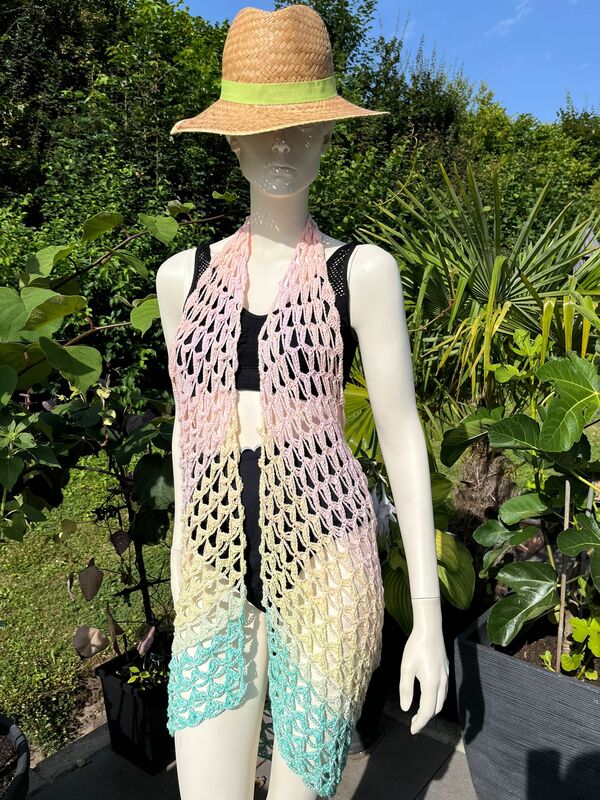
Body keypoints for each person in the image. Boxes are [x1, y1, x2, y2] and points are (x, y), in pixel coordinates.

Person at [155, 6, 449, 800]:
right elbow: (189, 428)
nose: (283, 148)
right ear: (232, 140)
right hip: (212, 562)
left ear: (326, 134)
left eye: (302, 128)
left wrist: (427, 618)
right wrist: (181, 554)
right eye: (264, 130)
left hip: (326, 565)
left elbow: (401, 436)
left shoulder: (363, 273)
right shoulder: (182, 279)